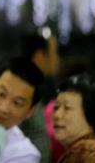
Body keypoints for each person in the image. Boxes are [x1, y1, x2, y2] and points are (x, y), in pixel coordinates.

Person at [53, 74, 95, 163]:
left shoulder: (89, 154)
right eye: (56, 107)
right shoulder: (83, 150)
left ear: (91, 113)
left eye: (67, 108)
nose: (57, 115)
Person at [19, 32, 60, 163]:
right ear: (40, 56)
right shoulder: (21, 91)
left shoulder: (39, 89)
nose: (57, 60)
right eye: (54, 54)